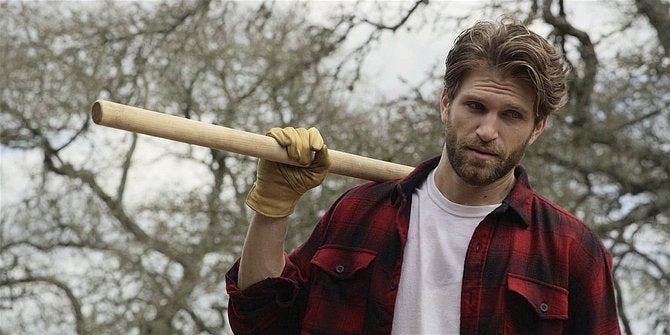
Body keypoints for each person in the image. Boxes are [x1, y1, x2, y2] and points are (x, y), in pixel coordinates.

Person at [226, 18, 621, 335]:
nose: (487, 129)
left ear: (538, 127)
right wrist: (272, 209)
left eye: (511, 115)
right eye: (476, 106)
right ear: (446, 104)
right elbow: (260, 323)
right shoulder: (359, 212)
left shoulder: (571, 250)